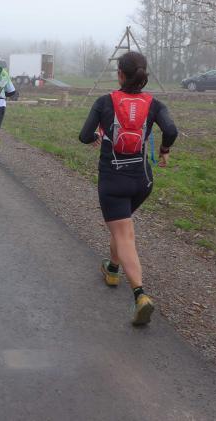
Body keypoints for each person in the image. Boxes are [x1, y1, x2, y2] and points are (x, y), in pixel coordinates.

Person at [78, 51, 178, 326]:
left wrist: (97, 135)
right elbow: (171, 130)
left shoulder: (104, 102)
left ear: (120, 74)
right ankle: (112, 270)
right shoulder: (154, 104)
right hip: (142, 181)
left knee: (123, 233)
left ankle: (140, 295)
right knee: (121, 227)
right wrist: (165, 150)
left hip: (113, 179)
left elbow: (84, 136)